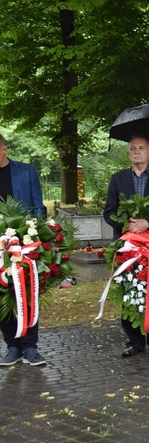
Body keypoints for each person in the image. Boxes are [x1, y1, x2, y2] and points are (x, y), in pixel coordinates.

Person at [104, 135, 149, 358]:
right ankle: (134, 341)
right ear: (128, 154)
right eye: (133, 149)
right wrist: (127, 226)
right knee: (129, 290)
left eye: (142, 148)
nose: (137, 151)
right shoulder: (117, 179)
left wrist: (148, 224)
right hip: (128, 247)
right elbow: (108, 212)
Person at [0, 134, 47, 367]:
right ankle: (12, 346)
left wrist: (32, 233)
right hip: (0, 248)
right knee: (3, 296)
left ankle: (30, 346)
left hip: (25, 245)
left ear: (4, 149)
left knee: (27, 294)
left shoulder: (26, 171)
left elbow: (38, 206)